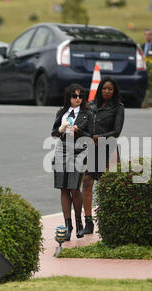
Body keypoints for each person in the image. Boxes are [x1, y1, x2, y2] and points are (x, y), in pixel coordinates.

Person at [82, 77, 125, 235]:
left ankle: (112, 221)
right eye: (104, 88)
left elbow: (117, 131)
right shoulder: (91, 106)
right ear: (99, 89)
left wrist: (100, 137)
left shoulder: (118, 107)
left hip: (109, 148)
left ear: (114, 91)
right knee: (87, 182)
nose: (106, 91)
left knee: (111, 185)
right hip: (94, 149)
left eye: (110, 89)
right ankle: (88, 222)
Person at [51, 84, 93, 240]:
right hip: (62, 150)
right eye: (74, 96)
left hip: (79, 151)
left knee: (74, 188)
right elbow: (54, 132)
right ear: (68, 97)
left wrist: (78, 130)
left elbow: (90, 135)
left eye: (81, 96)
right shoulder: (62, 112)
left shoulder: (87, 114)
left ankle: (79, 222)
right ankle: (67, 224)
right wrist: (61, 128)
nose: (78, 99)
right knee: (63, 188)